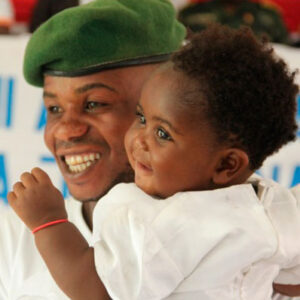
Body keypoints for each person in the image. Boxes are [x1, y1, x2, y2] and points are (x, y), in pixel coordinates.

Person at [8, 25, 300, 300]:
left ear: (227, 166)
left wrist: (49, 221)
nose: (139, 139)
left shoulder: (157, 221)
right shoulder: (270, 202)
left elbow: (97, 290)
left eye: (162, 133)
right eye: (141, 118)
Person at [0, 0, 186, 298]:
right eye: (54, 108)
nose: (66, 130)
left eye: (95, 104)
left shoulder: (234, 229)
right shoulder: (14, 237)